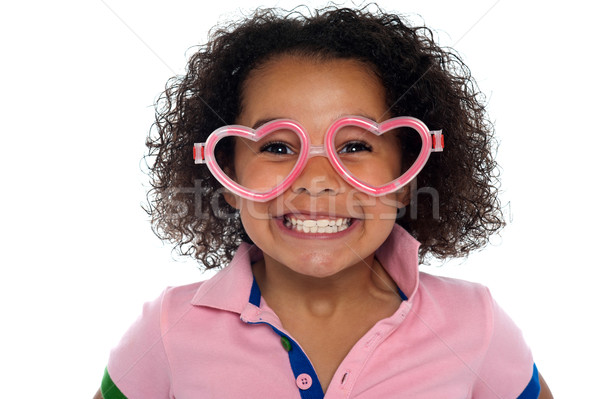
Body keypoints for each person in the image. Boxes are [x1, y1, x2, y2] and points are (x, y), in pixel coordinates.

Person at [94, 5, 553, 398]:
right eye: (276, 147)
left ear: (408, 175)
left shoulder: (475, 324)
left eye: (355, 146)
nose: (316, 181)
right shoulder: (169, 330)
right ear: (227, 177)